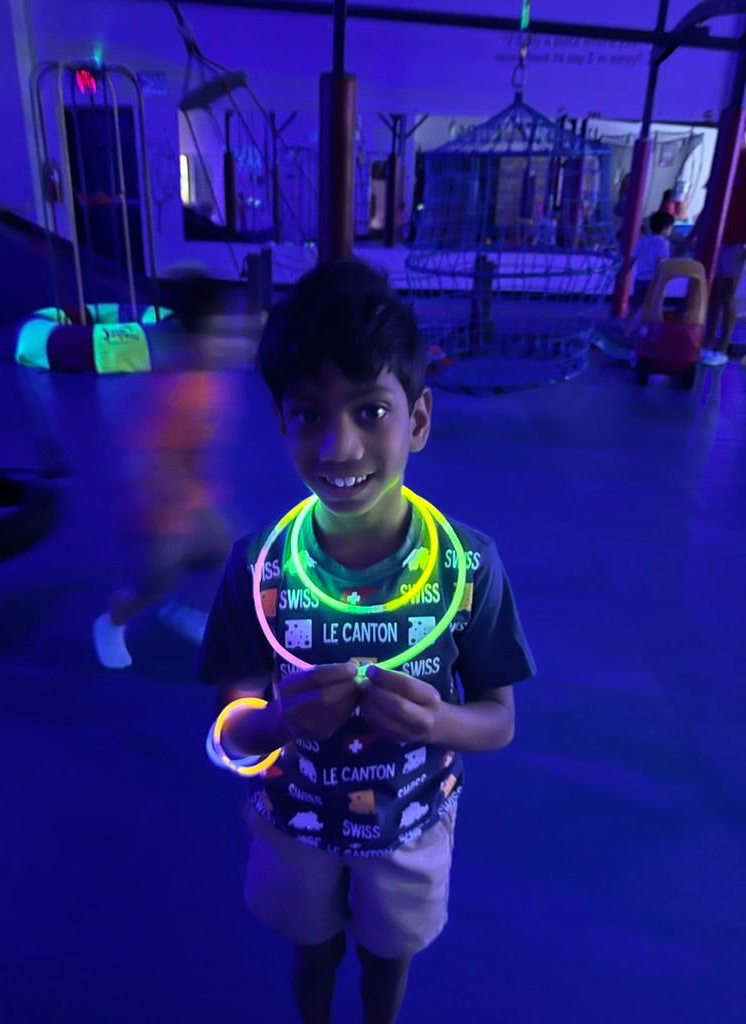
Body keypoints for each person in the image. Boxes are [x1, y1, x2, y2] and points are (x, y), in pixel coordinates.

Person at [196, 258, 536, 1024]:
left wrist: (437, 723)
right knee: (310, 953)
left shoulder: (468, 566)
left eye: (370, 412)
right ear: (281, 422)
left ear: (417, 417)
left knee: (390, 959)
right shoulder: (258, 568)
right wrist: (278, 722)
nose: (340, 447)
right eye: (309, 414)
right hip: (296, 822)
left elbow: (499, 719)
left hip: (412, 825)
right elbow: (229, 734)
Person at [93, 271, 233, 669]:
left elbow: (199, 453)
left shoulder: (211, 384)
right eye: (217, 334)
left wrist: (200, 503)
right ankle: (111, 622)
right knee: (155, 582)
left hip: (192, 504)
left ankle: (191, 613)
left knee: (232, 555)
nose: (226, 344)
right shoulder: (175, 391)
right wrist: (174, 516)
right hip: (155, 514)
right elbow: (147, 461)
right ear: (192, 339)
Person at [700, 149, 746, 367]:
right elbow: (709, 203)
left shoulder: (739, 159)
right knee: (715, 292)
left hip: (736, 241)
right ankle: (709, 343)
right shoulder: (727, 158)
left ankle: (722, 347)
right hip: (718, 237)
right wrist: (690, 238)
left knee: (726, 293)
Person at [626, 209, 675, 333]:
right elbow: (660, 263)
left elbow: (632, 259)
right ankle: (646, 331)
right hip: (654, 280)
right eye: (670, 228)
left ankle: (627, 330)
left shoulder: (642, 241)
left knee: (635, 306)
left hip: (640, 279)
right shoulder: (664, 244)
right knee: (653, 307)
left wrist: (623, 272)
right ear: (665, 228)